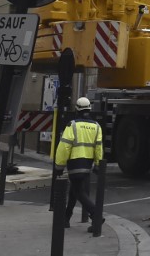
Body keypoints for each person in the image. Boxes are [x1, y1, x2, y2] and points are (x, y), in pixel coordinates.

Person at [54, 97, 103, 233]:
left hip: (75, 162)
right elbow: (99, 147)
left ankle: (96, 215)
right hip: (88, 164)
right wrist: (98, 164)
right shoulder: (96, 126)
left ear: (77, 110)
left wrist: (59, 166)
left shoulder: (73, 125)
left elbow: (64, 147)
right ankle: (66, 219)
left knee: (78, 192)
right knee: (74, 191)